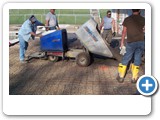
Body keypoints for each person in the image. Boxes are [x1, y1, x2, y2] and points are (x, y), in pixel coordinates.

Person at [116, 9, 145, 83]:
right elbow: (145, 29)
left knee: (126, 57)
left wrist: (122, 42)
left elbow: (124, 32)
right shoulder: (143, 19)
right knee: (137, 58)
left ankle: (121, 77)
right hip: (141, 41)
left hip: (131, 42)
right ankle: (134, 78)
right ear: (139, 10)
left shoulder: (127, 19)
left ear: (132, 10)